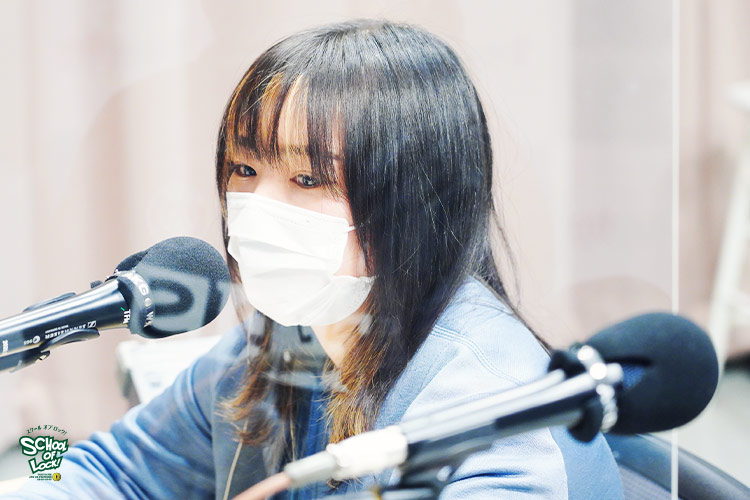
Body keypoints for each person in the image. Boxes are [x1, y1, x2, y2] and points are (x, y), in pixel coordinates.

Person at [2, 18, 624, 500]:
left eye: (307, 179)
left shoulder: (500, 422)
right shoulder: (285, 343)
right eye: (244, 169)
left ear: (413, 201)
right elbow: (115, 474)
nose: (256, 207)